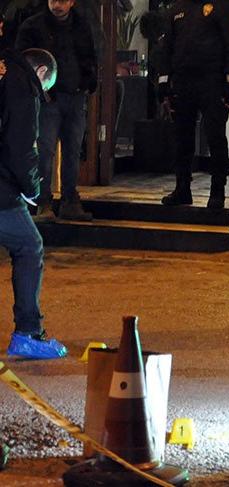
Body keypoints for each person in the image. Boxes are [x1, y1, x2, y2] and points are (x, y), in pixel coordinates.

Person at [1, 47, 67, 359]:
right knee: (29, 245)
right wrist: (32, 188)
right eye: (45, 86)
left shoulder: (4, 72)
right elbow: (22, 145)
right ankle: (28, 333)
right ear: (40, 72)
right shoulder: (24, 88)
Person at [15, 0, 98, 222]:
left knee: (73, 150)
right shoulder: (33, 26)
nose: (56, 5)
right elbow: (23, 61)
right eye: (53, 0)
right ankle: (43, 202)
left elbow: (89, 55)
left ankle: (70, 200)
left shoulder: (81, 25)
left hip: (75, 94)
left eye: (62, 0)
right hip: (47, 98)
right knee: (45, 151)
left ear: (72, 2)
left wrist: (88, 82)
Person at [157, 0, 229, 210]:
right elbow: (166, 47)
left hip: (213, 82)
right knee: (182, 137)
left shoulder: (223, 6)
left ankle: (217, 190)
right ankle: (182, 188)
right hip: (183, 82)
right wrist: (163, 81)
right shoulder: (177, 8)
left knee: (215, 137)